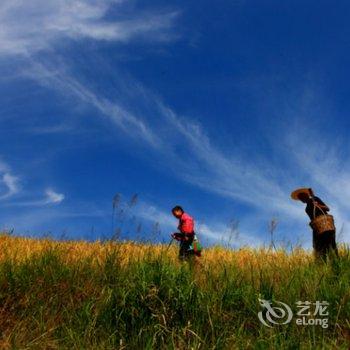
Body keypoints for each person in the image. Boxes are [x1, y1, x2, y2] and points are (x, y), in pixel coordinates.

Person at [291, 188, 338, 260]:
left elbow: (327, 208)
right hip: (318, 227)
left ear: (306, 195)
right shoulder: (306, 209)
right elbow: (313, 219)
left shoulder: (315, 199)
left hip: (327, 224)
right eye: (300, 199)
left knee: (332, 244)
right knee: (318, 247)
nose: (302, 200)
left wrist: (319, 205)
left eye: (302, 197)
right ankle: (323, 264)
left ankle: (337, 261)